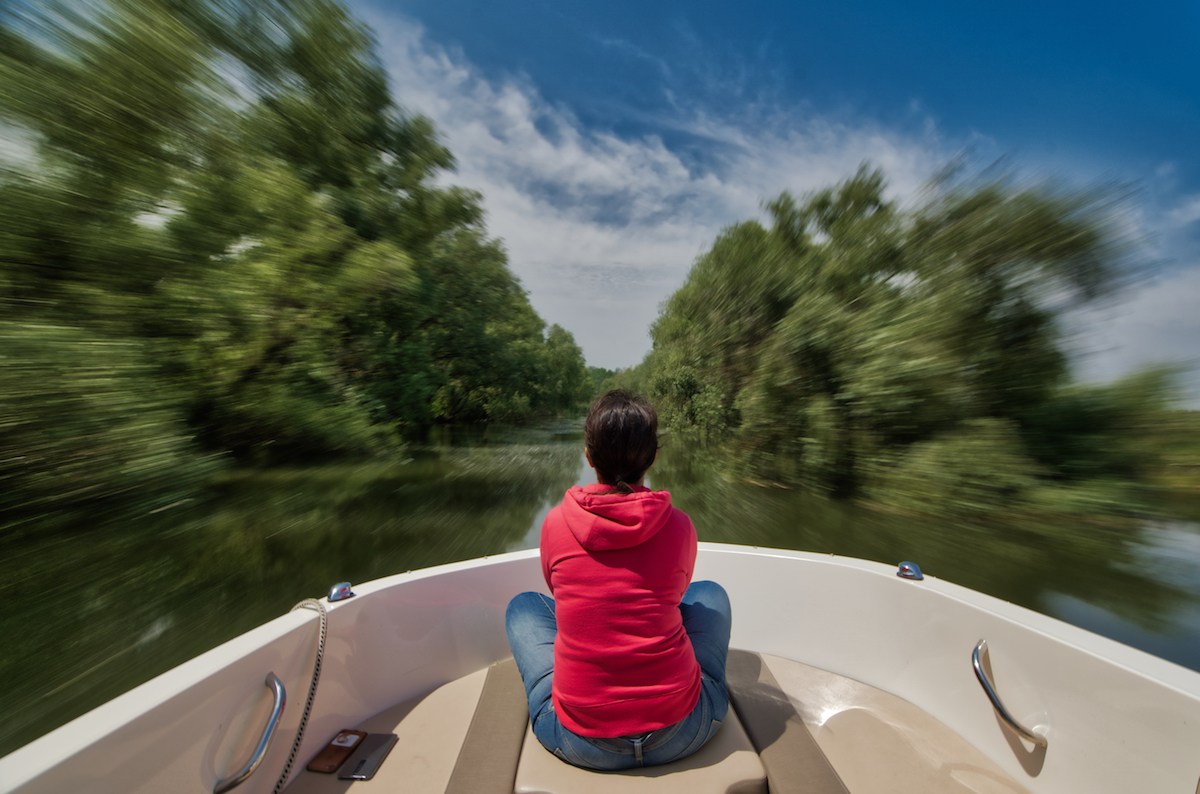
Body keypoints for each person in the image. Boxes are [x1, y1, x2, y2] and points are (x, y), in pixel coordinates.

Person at [505, 389, 732, 770]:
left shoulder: (556, 523)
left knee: (524, 607)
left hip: (580, 740)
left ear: (589, 455)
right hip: (684, 730)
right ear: (653, 456)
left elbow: (557, 592)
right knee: (708, 594)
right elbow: (676, 595)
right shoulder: (679, 525)